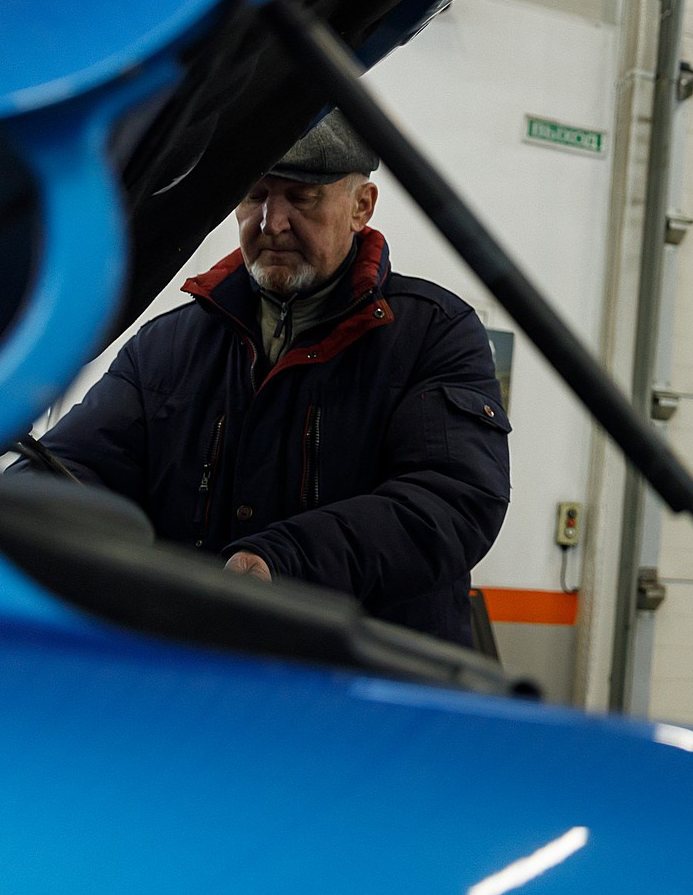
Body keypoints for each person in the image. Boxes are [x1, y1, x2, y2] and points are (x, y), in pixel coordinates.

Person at [34, 113, 510, 647]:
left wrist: (281, 560)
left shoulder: (434, 335)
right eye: (254, 195)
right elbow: (75, 466)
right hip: (196, 675)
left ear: (361, 207)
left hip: (362, 688)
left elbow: (451, 501)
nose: (270, 222)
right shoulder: (166, 347)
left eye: (301, 197)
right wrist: (16, 508)